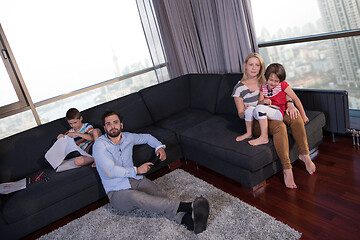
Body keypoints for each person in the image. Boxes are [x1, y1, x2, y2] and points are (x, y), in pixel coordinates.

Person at [92, 110, 210, 234]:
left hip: (135, 180)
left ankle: (188, 222)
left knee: (157, 196)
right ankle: (188, 206)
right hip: (116, 192)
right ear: (105, 128)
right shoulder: (100, 145)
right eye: (108, 124)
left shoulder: (128, 137)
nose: (112, 126)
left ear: (121, 125)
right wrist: (137, 170)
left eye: (115, 122)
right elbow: (111, 171)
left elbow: (147, 137)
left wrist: (159, 147)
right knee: (137, 197)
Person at [232, 54, 315, 189]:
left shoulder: (266, 80)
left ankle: (305, 155)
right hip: (256, 121)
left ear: (261, 67)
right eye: (251, 64)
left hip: (274, 111)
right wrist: (248, 109)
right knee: (279, 126)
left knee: (295, 116)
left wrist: (290, 103)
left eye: (257, 65)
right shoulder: (239, 88)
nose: (254, 68)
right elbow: (241, 115)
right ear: (245, 66)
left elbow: (282, 88)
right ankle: (287, 169)